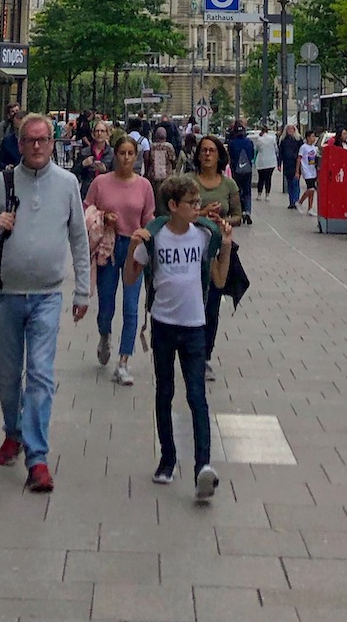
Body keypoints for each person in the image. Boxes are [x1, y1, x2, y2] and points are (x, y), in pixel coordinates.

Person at [0, 112, 91, 494]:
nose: (37, 146)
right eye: (30, 140)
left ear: (53, 143)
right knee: (8, 375)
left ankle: (37, 457)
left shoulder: (68, 183)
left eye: (43, 140)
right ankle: (14, 431)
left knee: (40, 374)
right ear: (20, 144)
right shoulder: (3, 182)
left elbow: (78, 238)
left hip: (47, 296)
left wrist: (83, 290)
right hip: (6, 295)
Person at [124, 173, 233, 502]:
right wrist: (133, 246)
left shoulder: (204, 236)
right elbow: (130, 278)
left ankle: (203, 466)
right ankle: (167, 459)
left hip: (195, 325)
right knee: (165, 392)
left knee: (197, 395)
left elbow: (219, 279)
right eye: (191, 203)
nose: (197, 208)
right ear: (173, 205)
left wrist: (226, 248)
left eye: (198, 202)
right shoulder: (155, 237)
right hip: (163, 324)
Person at [85, 131, 155, 386]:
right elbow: (86, 209)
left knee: (131, 305)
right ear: (115, 155)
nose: (126, 158)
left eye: (130, 154)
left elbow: (149, 217)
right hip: (109, 245)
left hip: (133, 246)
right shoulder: (101, 183)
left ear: (136, 157)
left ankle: (124, 361)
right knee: (106, 303)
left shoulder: (144, 186)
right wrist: (103, 216)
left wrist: (149, 235)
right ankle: (104, 334)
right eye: (122, 153)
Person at [192, 135, 241, 378]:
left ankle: (205, 356)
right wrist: (201, 213)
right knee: (194, 303)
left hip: (218, 251)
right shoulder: (189, 182)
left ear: (219, 155)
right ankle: (192, 351)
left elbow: (238, 216)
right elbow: (175, 212)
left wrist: (222, 220)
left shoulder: (228, 185)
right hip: (191, 250)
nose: (207, 154)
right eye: (204, 150)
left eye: (212, 150)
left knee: (212, 305)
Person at [227, 120, 256, 223]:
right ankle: (247, 211)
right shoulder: (249, 142)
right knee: (247, 191)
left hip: (236, 170)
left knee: (237, 191)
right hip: (247, 170)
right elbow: (252, 155)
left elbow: (230, 156)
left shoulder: (232, 143)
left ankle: (240, 211)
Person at [278, 124, 302, 208]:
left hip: (296, 164)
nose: (290, 130)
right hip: (287, 164)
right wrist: (279, 163)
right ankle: (291, 201)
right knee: (289, 184)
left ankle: (296, 200)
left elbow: (301, 152)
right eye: (288, 129)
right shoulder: (283, 140)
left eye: (292, 129)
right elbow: (280, 153)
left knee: (295, 183)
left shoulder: (298, 139)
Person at [254, 125, 278, 198]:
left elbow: (257, 149)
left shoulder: (259, 139)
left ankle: (259, 194)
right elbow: (276, 149)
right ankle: (267, 195)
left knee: (261, 178)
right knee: (268, 179)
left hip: (261, 161)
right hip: (271, 161)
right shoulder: (272, 138)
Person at [299, 130, 319, 212]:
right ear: (308, 137)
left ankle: (310, 208)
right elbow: (299, 158)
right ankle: (300, 202)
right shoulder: (303, 147)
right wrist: (297, 171)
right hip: (306, 170)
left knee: (312, 191)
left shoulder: (314, 148)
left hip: (313, 170)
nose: (314, 138)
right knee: (311, 189)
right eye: (312, 136)